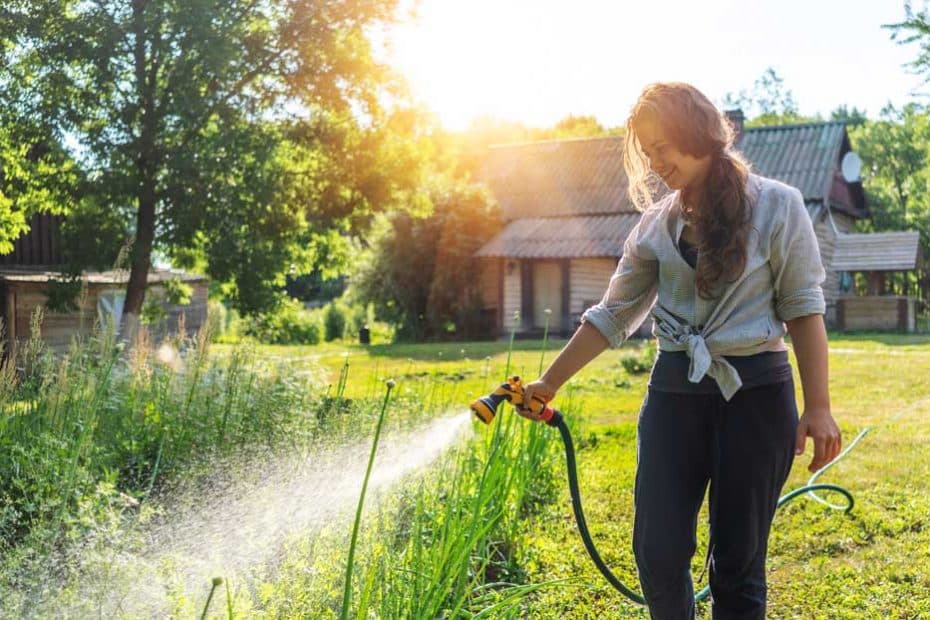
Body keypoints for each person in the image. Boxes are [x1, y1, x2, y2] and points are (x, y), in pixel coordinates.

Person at [518, 82, 842, 619]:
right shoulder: (654, 226)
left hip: (757, 398)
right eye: (648, 152)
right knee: (658, 552)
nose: (656, 161)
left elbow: (804, 310)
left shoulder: (779, 206)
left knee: (738, 563)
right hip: (674, 396)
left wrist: (820, 407)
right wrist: (550, 382)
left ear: (700, 133)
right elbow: (613, 314)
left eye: (663, 145)